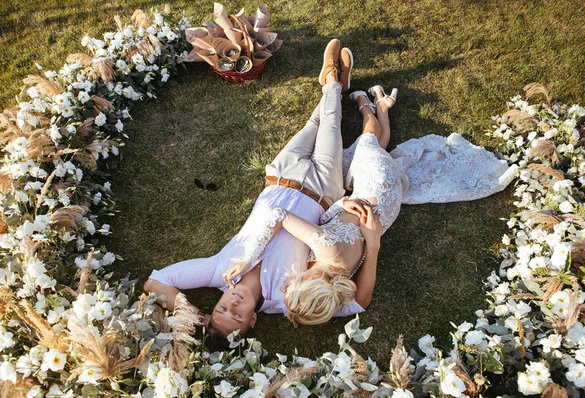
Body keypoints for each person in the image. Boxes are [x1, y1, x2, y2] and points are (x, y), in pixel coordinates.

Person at [143, 39, 355, 340]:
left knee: (315, 122)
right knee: (331, 125)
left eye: (221, 309)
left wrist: (190, 314)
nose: (232, 304)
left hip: (280, 175)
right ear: (253, 320)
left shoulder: (217, 271)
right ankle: (333, 81)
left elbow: (155, 281)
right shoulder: (285, 300)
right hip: (321, 189)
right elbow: (348, 305)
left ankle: (334, 86)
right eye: (238, 315)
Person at [223, 84, 409, 325]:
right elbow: (279, 215)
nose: (282, 290)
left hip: (384, 210)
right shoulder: (326, 251)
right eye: (288, 291)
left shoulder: (339, 287)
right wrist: (248, 258)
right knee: (367, 143)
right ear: (308, 282)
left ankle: (382, 108)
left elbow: (361, 304)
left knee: (363, 154)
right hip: (377, 188)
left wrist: (373, 244)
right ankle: (367, 106)